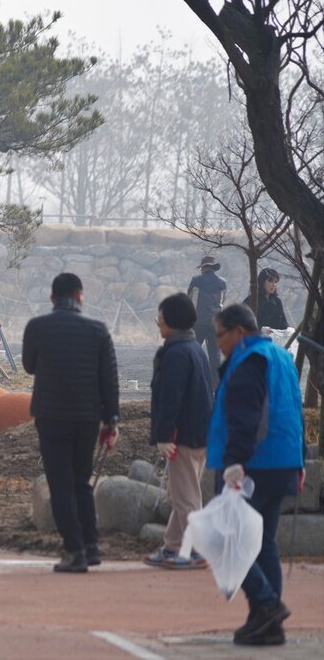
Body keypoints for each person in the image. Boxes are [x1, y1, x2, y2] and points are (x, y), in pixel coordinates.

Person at [209, 303, 304, 647]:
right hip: (284, 463)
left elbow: (247, 418)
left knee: (227, 540)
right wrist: (301, 460)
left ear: (238, 332)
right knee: (263, 543)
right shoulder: (280, 357)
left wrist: (234, 462)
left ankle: (266, 605)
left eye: (220, 335)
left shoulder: (248, 362)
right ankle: (267, 625)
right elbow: (293, 409)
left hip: (253, 466)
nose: (217, 342)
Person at [22, 273, 119, 573]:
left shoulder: (37, 327)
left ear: (52, 299)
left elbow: (28, 366)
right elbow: (110, 379)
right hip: (87, 418)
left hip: (51, 417)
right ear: (80, 296)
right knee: (81, 482)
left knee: (60, 485)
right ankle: (90, 546)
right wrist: (111, 419)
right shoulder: (98, 330)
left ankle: (73, 549)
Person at [144, 292, 213, 569]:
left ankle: (195, 550)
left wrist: (163, 436)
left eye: (160, 317)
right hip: (200, 435)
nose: (158, 322)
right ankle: (174, 546)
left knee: (186, 498)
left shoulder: (175, 354)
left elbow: (170, 399)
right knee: (181, 493)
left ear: (172, 321)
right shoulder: (195, 348)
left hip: (182, 437)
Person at [188, 255, 227, 385]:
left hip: (197, 322)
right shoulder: (222, 283)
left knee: (193, 351)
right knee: (215, 354)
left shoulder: (196, 280)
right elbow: (222, 302)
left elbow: (190, 300)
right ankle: (216, 384)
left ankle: (192, 380)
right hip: (215, 323)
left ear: (203, 268)